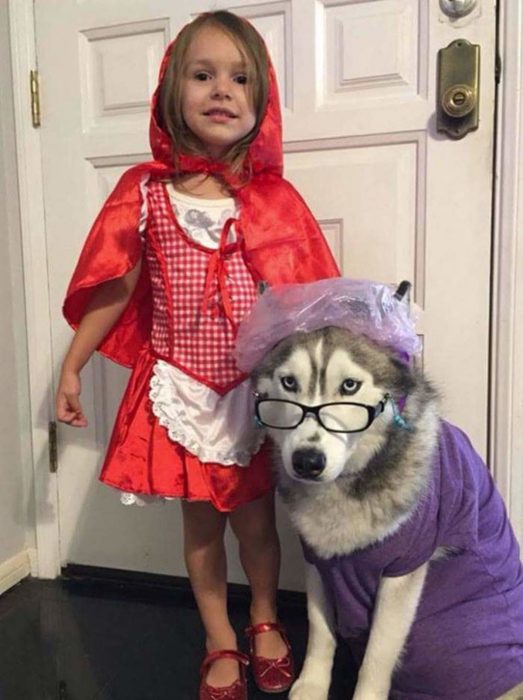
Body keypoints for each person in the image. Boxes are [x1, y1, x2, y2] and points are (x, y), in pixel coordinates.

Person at [55, 10, 339, 700]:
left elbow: (309, 298)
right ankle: (218, 636)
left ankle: (265, 620)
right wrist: (72, 364)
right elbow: (116, 288)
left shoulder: (271, 201)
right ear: (170, 93)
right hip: (178, 390)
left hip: (253, 396)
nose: (221, 90)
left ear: (260, 103)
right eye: (202, 75)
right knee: (199, 529)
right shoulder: (144, 195)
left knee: (257, 525)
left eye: (240, 79)